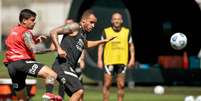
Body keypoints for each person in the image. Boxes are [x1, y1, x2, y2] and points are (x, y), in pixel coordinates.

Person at [48, 9, 116, 101]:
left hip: (68, 67)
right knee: (79, 91)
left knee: (79, 97)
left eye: (94, 23)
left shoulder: (83, 34)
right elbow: (53, 32)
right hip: (62, 66)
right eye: (91, 22)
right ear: (83, 21)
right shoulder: (75, 26)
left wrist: (104, 41)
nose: (93, 25)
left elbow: (86, 44)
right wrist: (59, 49)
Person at [3, 9, 62, 101]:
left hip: (11, 66)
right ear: (24, 20)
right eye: (32, 20)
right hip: (22, 63)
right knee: (52, 74)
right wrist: (51, 49)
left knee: (22, 98)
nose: (34, 23)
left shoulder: (14, 30)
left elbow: (19, 44)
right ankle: (48, 95)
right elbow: (34, 50)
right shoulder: (26, 32)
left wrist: (36, 40)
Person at [97, 12, 135, 101]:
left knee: (121, 85)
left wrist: (132, 58)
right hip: (109, 61)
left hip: (122, 61)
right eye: (115, 19)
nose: (116, 21)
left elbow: (131, 45)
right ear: (111, 20)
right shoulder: (106, 31)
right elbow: (101, 46)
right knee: (107, 84)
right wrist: (99, 59)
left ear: (121, 20)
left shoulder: (127, 32)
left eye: (118, 19)